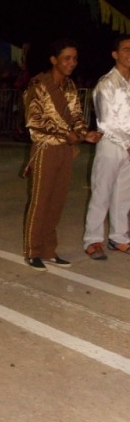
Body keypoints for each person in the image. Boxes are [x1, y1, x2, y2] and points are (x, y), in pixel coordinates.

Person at [23, 38, 101, 270]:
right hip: (46, 149)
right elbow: (34, 121)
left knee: (57, 202)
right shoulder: (38, 85)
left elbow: (76, 116)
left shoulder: (69, 87)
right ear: (53, 60)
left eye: (74, 58)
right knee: (40, 202)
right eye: (66, 58)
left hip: (65, 151)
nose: (72, 62)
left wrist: (85, 134)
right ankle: (33, 251)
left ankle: (49, 250)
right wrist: (66, 134)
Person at [83, 34, 130, 259]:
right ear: (115, 54)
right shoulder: (106, 84)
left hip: (128, 147)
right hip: (111, 145)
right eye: (126, 49)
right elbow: (106, 122)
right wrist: (128, 144)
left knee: (124, 194)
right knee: (101, 193)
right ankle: (92, 240)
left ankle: (118, 237)